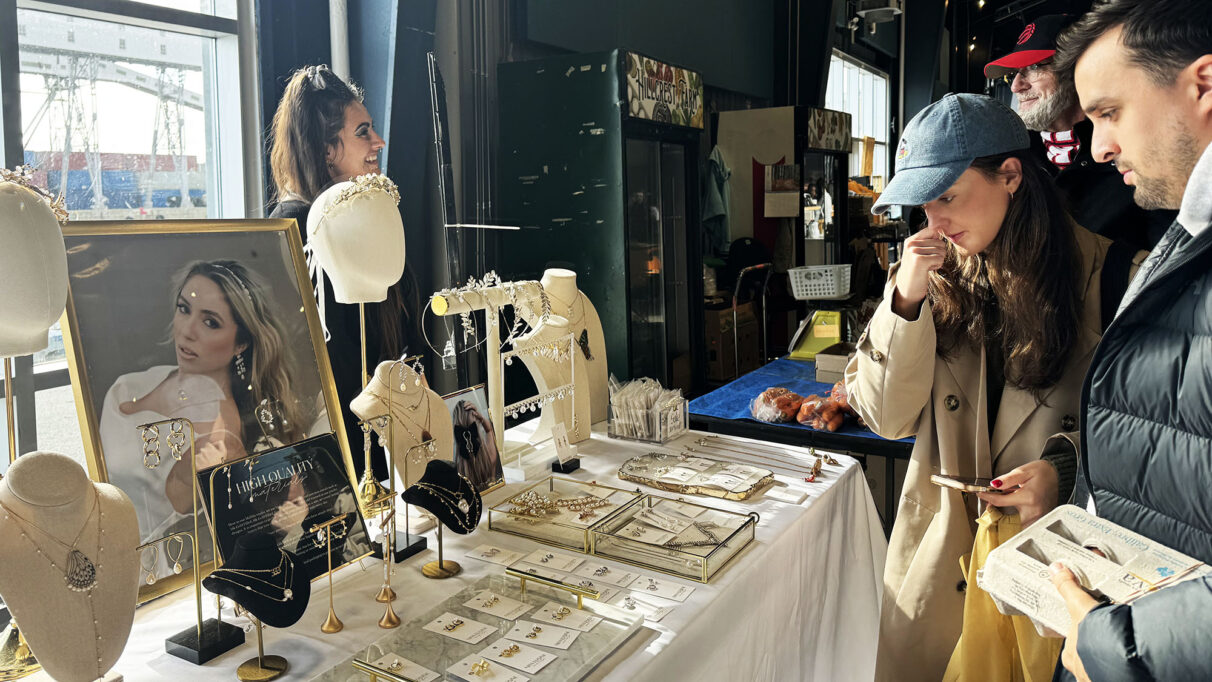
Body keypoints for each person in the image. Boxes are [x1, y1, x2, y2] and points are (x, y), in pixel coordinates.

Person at [844, 94, 1119, 681]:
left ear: (1011, 175)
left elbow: (1151, 442)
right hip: (939, 562)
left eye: (948, 195)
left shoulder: (1114, 277)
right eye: (924, 203)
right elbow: (883, 417)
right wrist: (905, 302)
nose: (934, 221)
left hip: (1052, 572)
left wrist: (1065, 471)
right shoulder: (928, 277)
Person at [1043, 2, 1212, 680]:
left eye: (1109, 113)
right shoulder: (1185, 230)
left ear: (1203, 85)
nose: (1098, 148)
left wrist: (1118, 647)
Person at [267, 64, 419, 485]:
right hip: (331, 453)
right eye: (363, 132)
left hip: (382, 441)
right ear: (326, 149)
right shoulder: (293, 230)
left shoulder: (369, 218)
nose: (378, 142)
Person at [99, 259, 304, 543]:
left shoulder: (220, 437)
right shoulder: (136, 382)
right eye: (184, 309)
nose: (186, 330)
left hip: (151, 572)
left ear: (241, 344)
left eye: (210, 322)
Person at [985, 14, 1175, 254]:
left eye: (1033, 68)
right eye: (1013, 74)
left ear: (1076, 69)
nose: (1016, 86)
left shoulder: (1134, 157)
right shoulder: (1012, 162)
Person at [452, 399, 502, 492]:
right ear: (476, 429)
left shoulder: (457, 475)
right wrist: (481, 418)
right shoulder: (490, 460)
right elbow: (489, 430)